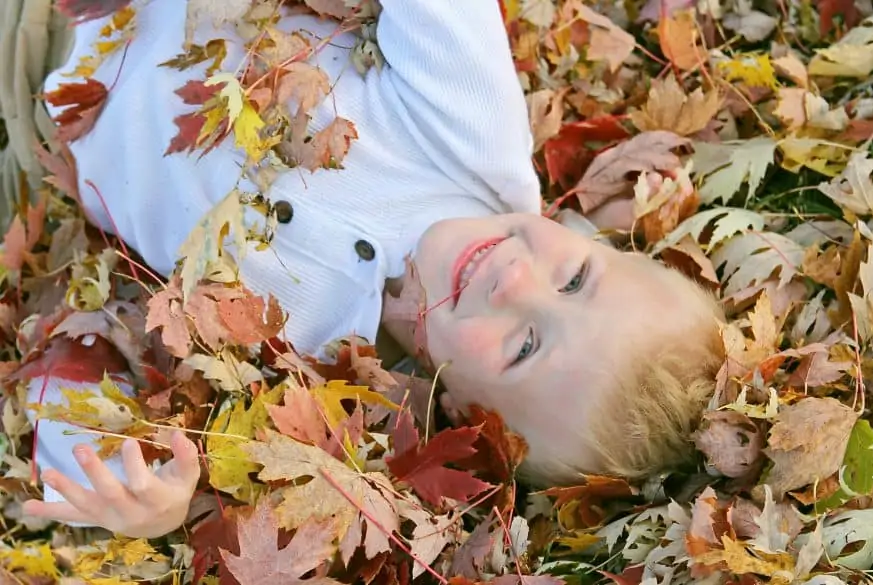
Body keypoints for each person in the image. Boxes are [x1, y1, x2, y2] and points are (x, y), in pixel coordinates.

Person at [6, 0, 724, 539]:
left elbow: (99, 351)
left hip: (41, 117)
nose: (516, 283)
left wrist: (148, 501)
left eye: (524, 344)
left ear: (464, 413)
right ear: (583, 235)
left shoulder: (309, 368)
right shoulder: (470, 138)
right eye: (575, 278)